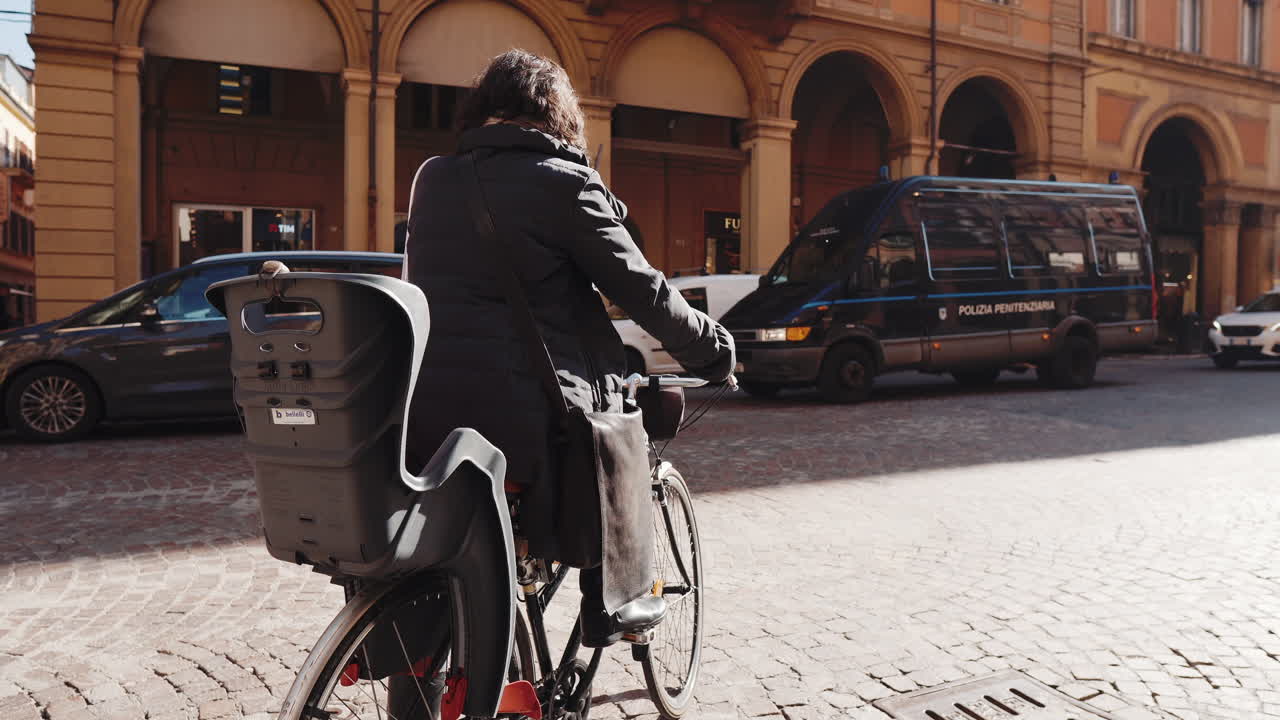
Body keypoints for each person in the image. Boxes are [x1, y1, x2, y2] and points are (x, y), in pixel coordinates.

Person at [401, 49, 735, 648]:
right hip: (534, 425)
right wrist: (714, 350)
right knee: (620, 432)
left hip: (431, 423)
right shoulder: (566, 182)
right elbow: (646, 293)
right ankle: (616, 604)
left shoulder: (431, 178)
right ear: (558, 114)